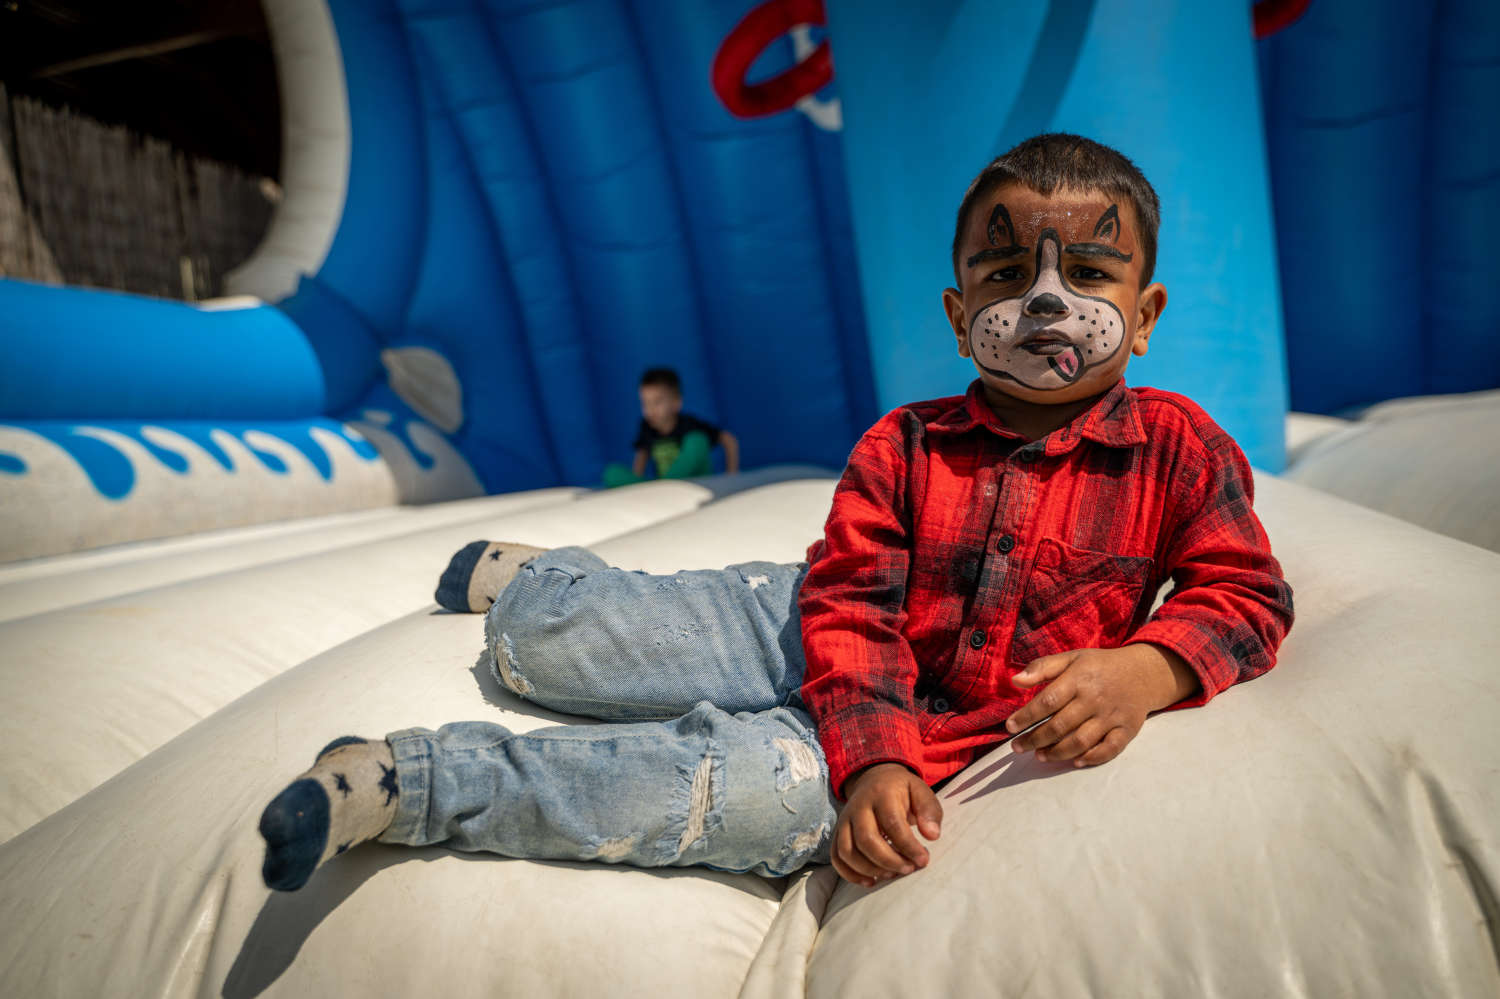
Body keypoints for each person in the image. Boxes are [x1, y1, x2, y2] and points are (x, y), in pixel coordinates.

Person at [258, 133, 1294, 893]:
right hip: (811, 624)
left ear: (1147, 317)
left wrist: (1146, 669)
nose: (1048, 303)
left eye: (1092, 274)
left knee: (723, 797)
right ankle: (538, 589)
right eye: (1007, 272)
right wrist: (872, 745)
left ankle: (406, 784)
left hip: (947, 733)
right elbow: (849, 603)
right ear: (958, 311)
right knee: (550, 652)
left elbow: (1248, 594)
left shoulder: (1179, 448)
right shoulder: (905, 445)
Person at [602, 367, 740, 487]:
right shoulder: (647, 427)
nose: (650, 411)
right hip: (664, 487)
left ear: (676, 402)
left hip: (695, 483)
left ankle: (662, 487)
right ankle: (654, 490)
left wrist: (731, 475)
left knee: (697, 440)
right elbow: (641, 456)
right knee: (611, 473)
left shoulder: (689, 424)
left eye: (657, 403)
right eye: (645, 404)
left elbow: (729, 440)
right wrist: (636, 482)